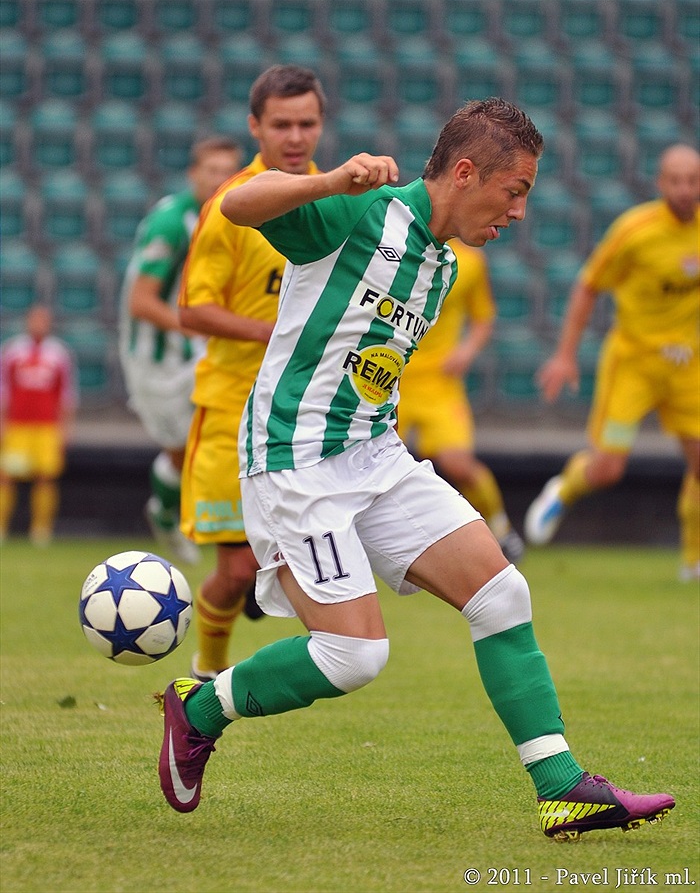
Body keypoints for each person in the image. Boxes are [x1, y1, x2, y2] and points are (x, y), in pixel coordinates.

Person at [156, 98, 675, 840]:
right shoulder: (361, 209)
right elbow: (235, 204)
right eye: (516, 190)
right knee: (355, 655)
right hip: (296, 458)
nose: (520, 212)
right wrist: (329, 181)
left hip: (375, 455)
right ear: (466, 173)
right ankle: (198, 706)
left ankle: (562, 788)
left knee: (502, 594)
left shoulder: (443, 262)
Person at [177, 65, 326, 682]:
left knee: (301, 572)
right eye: (281, 124)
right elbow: (191, 309)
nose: (296, 137)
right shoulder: (229, 207)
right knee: (235, 572)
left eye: (307, 123)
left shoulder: (337, 192)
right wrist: (272, 333)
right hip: (231, 409)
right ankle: (205, 674)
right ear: (255, 127)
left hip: (302, 416)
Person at [524, 144, 700, 582]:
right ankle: (564, 488)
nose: (684, 189)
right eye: (675, 180)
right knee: (608, 468)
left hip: (688, 369)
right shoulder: (635, 231)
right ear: (661, 184)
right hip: (634, 365)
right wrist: (565, 355)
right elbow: (588, 286)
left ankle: (692, 561)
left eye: (692, 180)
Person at [118, 136, 242, 565]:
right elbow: (142, 301)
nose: (220, 179)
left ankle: (216, 522)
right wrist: (202, 326)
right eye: (212, 170)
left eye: (229, 171)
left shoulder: (230, 217)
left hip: (196, 353)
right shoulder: (172, 222)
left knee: (219, 431)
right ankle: (165, 511)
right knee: (183, 448)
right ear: (193, 173)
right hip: (158, 358)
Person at [397, 239, 524, 563]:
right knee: (369, 465)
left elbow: (484, 317)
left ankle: (502, 530)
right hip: (390, 377)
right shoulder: (399, 244)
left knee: (459, 464)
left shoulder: (471, 262)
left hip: (440, 383)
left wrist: (466, 351)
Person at [0, 304, 78, 545]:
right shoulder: (12, 351)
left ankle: (41, 531)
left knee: (46, 476)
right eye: (35, 320)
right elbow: (3, 391)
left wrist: (65, 429)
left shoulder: (59, 354)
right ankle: (2, 528)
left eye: (43, 320)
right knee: (7, 476)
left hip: (47, 428)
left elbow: (67, 395)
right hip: (17, 427)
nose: (39, 325)